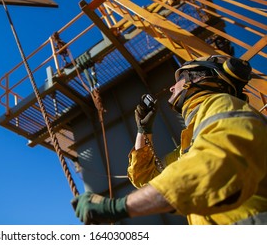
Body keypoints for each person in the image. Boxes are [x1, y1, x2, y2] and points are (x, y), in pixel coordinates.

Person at [72, 55, 267, 225]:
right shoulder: (192, 142)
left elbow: (214, 166)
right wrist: (143, 130)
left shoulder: (222, 104)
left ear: (198, 77)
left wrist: (116, 207)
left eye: (180, 78)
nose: (172, 87)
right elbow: (146, 178)